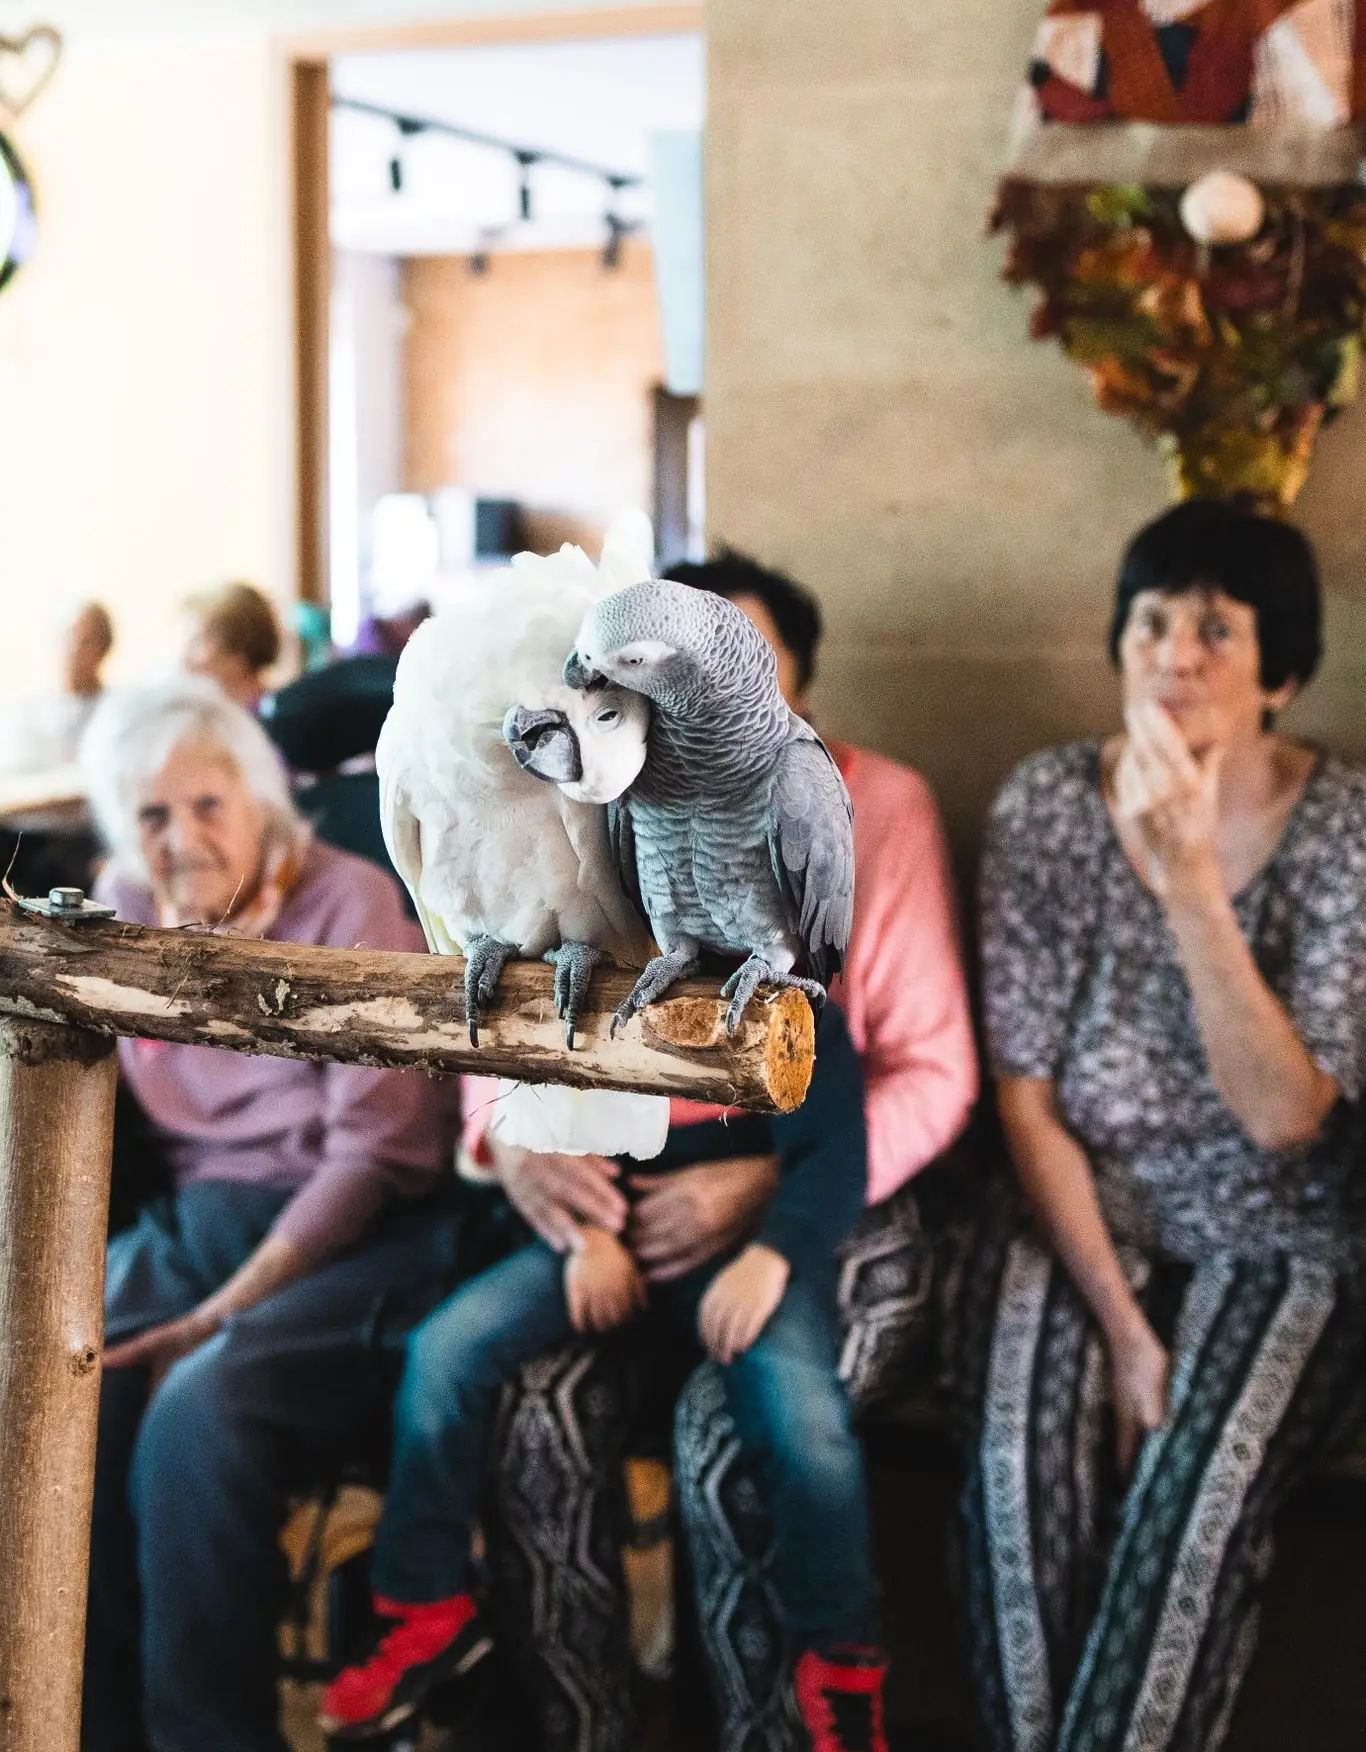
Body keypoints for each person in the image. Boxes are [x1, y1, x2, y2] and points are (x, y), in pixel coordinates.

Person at [484, 547, 979, 1750]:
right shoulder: (626, 777)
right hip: (631, 1190)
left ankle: (804, 1701)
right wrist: (514, 1140)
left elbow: (920, 1066)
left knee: (732, 1439)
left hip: (813, 1173)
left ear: (782, 674)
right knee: (525, 1407)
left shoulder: (848, 793)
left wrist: (768, 1191)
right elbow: (556, 960)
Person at [955, 499, 1366, 1752]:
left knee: (1196, 1498)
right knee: (1017, 1473)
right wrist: (1127, 1330)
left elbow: (1288, 1117)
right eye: (1149, 622)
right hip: (1084, 1207)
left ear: (1280, 672)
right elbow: (1025, 1091)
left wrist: (1189, 878)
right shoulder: (1046, 803)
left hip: (1279, 1229)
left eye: (1215, 629)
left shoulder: (1344, 826)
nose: (1172, 655)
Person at [319, 1006, 883, 1752]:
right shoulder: (590, 998)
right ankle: (424, 1600)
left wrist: (773, 1257)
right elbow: (543, 1135)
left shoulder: (791, 1011)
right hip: (604, 1235)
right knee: (444, 1352)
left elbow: (836, 1155)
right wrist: (583, 1237)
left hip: (745, 1253)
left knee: (804, 1418)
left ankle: (841, 1662)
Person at [79, 677, 470, 1752]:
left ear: (259, 799)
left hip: (359, 1235)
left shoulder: (349, 905)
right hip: (202, 1219)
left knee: (197, 1410)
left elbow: (377, 1154)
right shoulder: (122, 907)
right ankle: (94, 1727)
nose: (181, 839)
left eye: (208, 804)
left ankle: (205, 1734)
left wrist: (222, 1312)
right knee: (67, 1384)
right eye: (151, 814)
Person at [0, 597, 114, 770]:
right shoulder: (28, 713)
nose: (73, 649)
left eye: (86, 641)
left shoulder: (114, 713)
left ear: (104, 649)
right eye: (69, 636)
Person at [180, 580, 283, 711]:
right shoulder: (204, 714)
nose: (185, 658)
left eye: (198, 641)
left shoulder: (276, 716)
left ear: (240, 651)